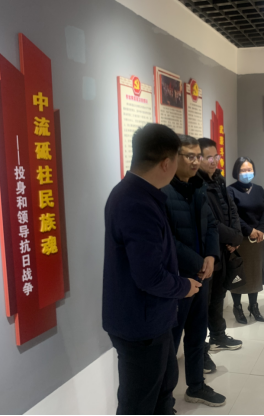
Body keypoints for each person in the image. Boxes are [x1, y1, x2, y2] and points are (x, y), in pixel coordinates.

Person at [103, 124, 201, 415]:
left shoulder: (136, 193)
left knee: (163, 388)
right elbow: (149, 276)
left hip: (151, 319)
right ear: (166, 163)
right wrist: (185, 286)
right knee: (138, 404)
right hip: (140, 323)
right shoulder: (137, 203)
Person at [161, 135, 226, 407]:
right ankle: (164, 401)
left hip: (202, 275)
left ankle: (196, 386)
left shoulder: (199, 187)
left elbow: (210, 225)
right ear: (174, 158)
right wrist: (198, 261)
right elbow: (167, 239)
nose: (195, 161)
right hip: (178, 279)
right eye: (189, 156)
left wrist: (210, 255)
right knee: (170, 340)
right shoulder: (163, 192)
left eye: (198, 156)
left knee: (198, 333)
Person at [197, 138, 244, 353]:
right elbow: (210, 222)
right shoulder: (196, 185)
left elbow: (232, 210)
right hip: (208, 251)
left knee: (218, 295)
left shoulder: (219, 179)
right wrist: (232, 237)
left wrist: (236, 236)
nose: (214, 161)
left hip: (224, 249)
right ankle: (201, 347)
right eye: (208, 157)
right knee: (204, 301)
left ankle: (218, 335)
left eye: (215, 156)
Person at [227, 157, 264, 323]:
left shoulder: (259, 190)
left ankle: (253, 306)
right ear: (236, 172)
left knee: (255, 274)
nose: (247, 173)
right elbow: (233, 215)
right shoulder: (230, 191)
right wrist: (249, 230)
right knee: (238, 274)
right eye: (243, 170)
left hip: (257, 239)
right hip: (240, 240)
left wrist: (261, 229)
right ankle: (237, 307)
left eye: (249, 169)